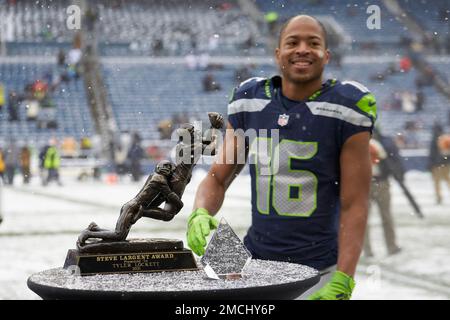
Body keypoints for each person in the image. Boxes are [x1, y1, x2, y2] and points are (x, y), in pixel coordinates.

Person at [186, 15, 376, 300]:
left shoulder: (345, 106)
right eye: (292, 42)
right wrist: (200, 213)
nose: (302, 49)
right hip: (256, 263)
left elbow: (355, 203)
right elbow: (216, 178)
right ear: (278, 54)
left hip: (320, 269)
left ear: (326, 55)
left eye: (313, 43)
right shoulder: (250, 100)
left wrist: (343, 278)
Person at [364, 132, 402, 258]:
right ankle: (369, 249)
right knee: (368, 218)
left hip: (377, 181)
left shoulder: (381, 143)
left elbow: (389, 160)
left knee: (382, 216)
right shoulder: (380, 142)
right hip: (368, 182)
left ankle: (388, 247)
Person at [428, 123, 450, 204]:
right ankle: (438, 197)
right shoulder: (445, 138)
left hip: (437, 164)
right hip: (446, 163)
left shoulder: (435, 139)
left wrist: (430, 164)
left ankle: (439, 197)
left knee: (437, 182)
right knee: (447, 179)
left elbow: (432, 153)